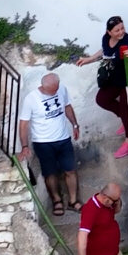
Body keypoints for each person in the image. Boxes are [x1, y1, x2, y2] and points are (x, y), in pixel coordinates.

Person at [73, 17, 128, 159]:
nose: (121, 31)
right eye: (117, 30)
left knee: (125, 108)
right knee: (102, 99)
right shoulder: (106, 38)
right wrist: (90, 59)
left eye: (122, 28)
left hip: (127, 79)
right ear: (109, 32)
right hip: (113, 79)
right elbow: (104, 51)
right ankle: (124, 119)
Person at [17, 73, 80, 216]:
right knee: (50, 173)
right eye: (53, 90)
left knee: (70, 170)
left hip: (63, 139)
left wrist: (75, 125)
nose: (56, 92)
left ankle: (73, 200)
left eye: (57, 89)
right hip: (43, 142)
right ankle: (57, 201)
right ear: (43, 87)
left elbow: (67, 107)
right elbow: (23, 124)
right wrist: (24, 146)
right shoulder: (31, 99)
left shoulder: (61, 89)